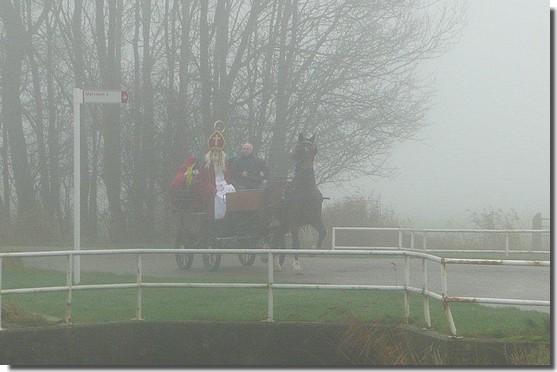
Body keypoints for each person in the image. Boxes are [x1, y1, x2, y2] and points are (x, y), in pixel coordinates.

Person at [197, 123, 236, 220]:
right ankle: (218, 219)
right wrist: (213, 189)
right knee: (219, 198)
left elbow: (228, 178)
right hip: (213, 188)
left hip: (224, 185)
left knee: (232, 194)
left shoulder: (224, 165)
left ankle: (231, 218)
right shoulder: (207, 166)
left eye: (218, 154)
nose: (216, 156)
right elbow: (205, 182)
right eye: (214, 153)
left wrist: (229, 185)